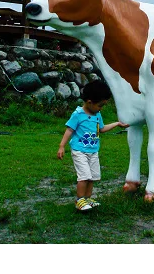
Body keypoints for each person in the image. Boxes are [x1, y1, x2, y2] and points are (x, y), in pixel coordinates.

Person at [57, 79, 128, 212]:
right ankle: (79, 201)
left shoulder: (97, 114)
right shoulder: (78, 115)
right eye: (100, 105)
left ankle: (87, 199)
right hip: (79, 150)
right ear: (89, 102)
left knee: (93, 177)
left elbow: (101, 128)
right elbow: (69, 130)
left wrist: (117, 124)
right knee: (84, 176)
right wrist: (62, 146)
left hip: (93, 151)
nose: (101, 108)